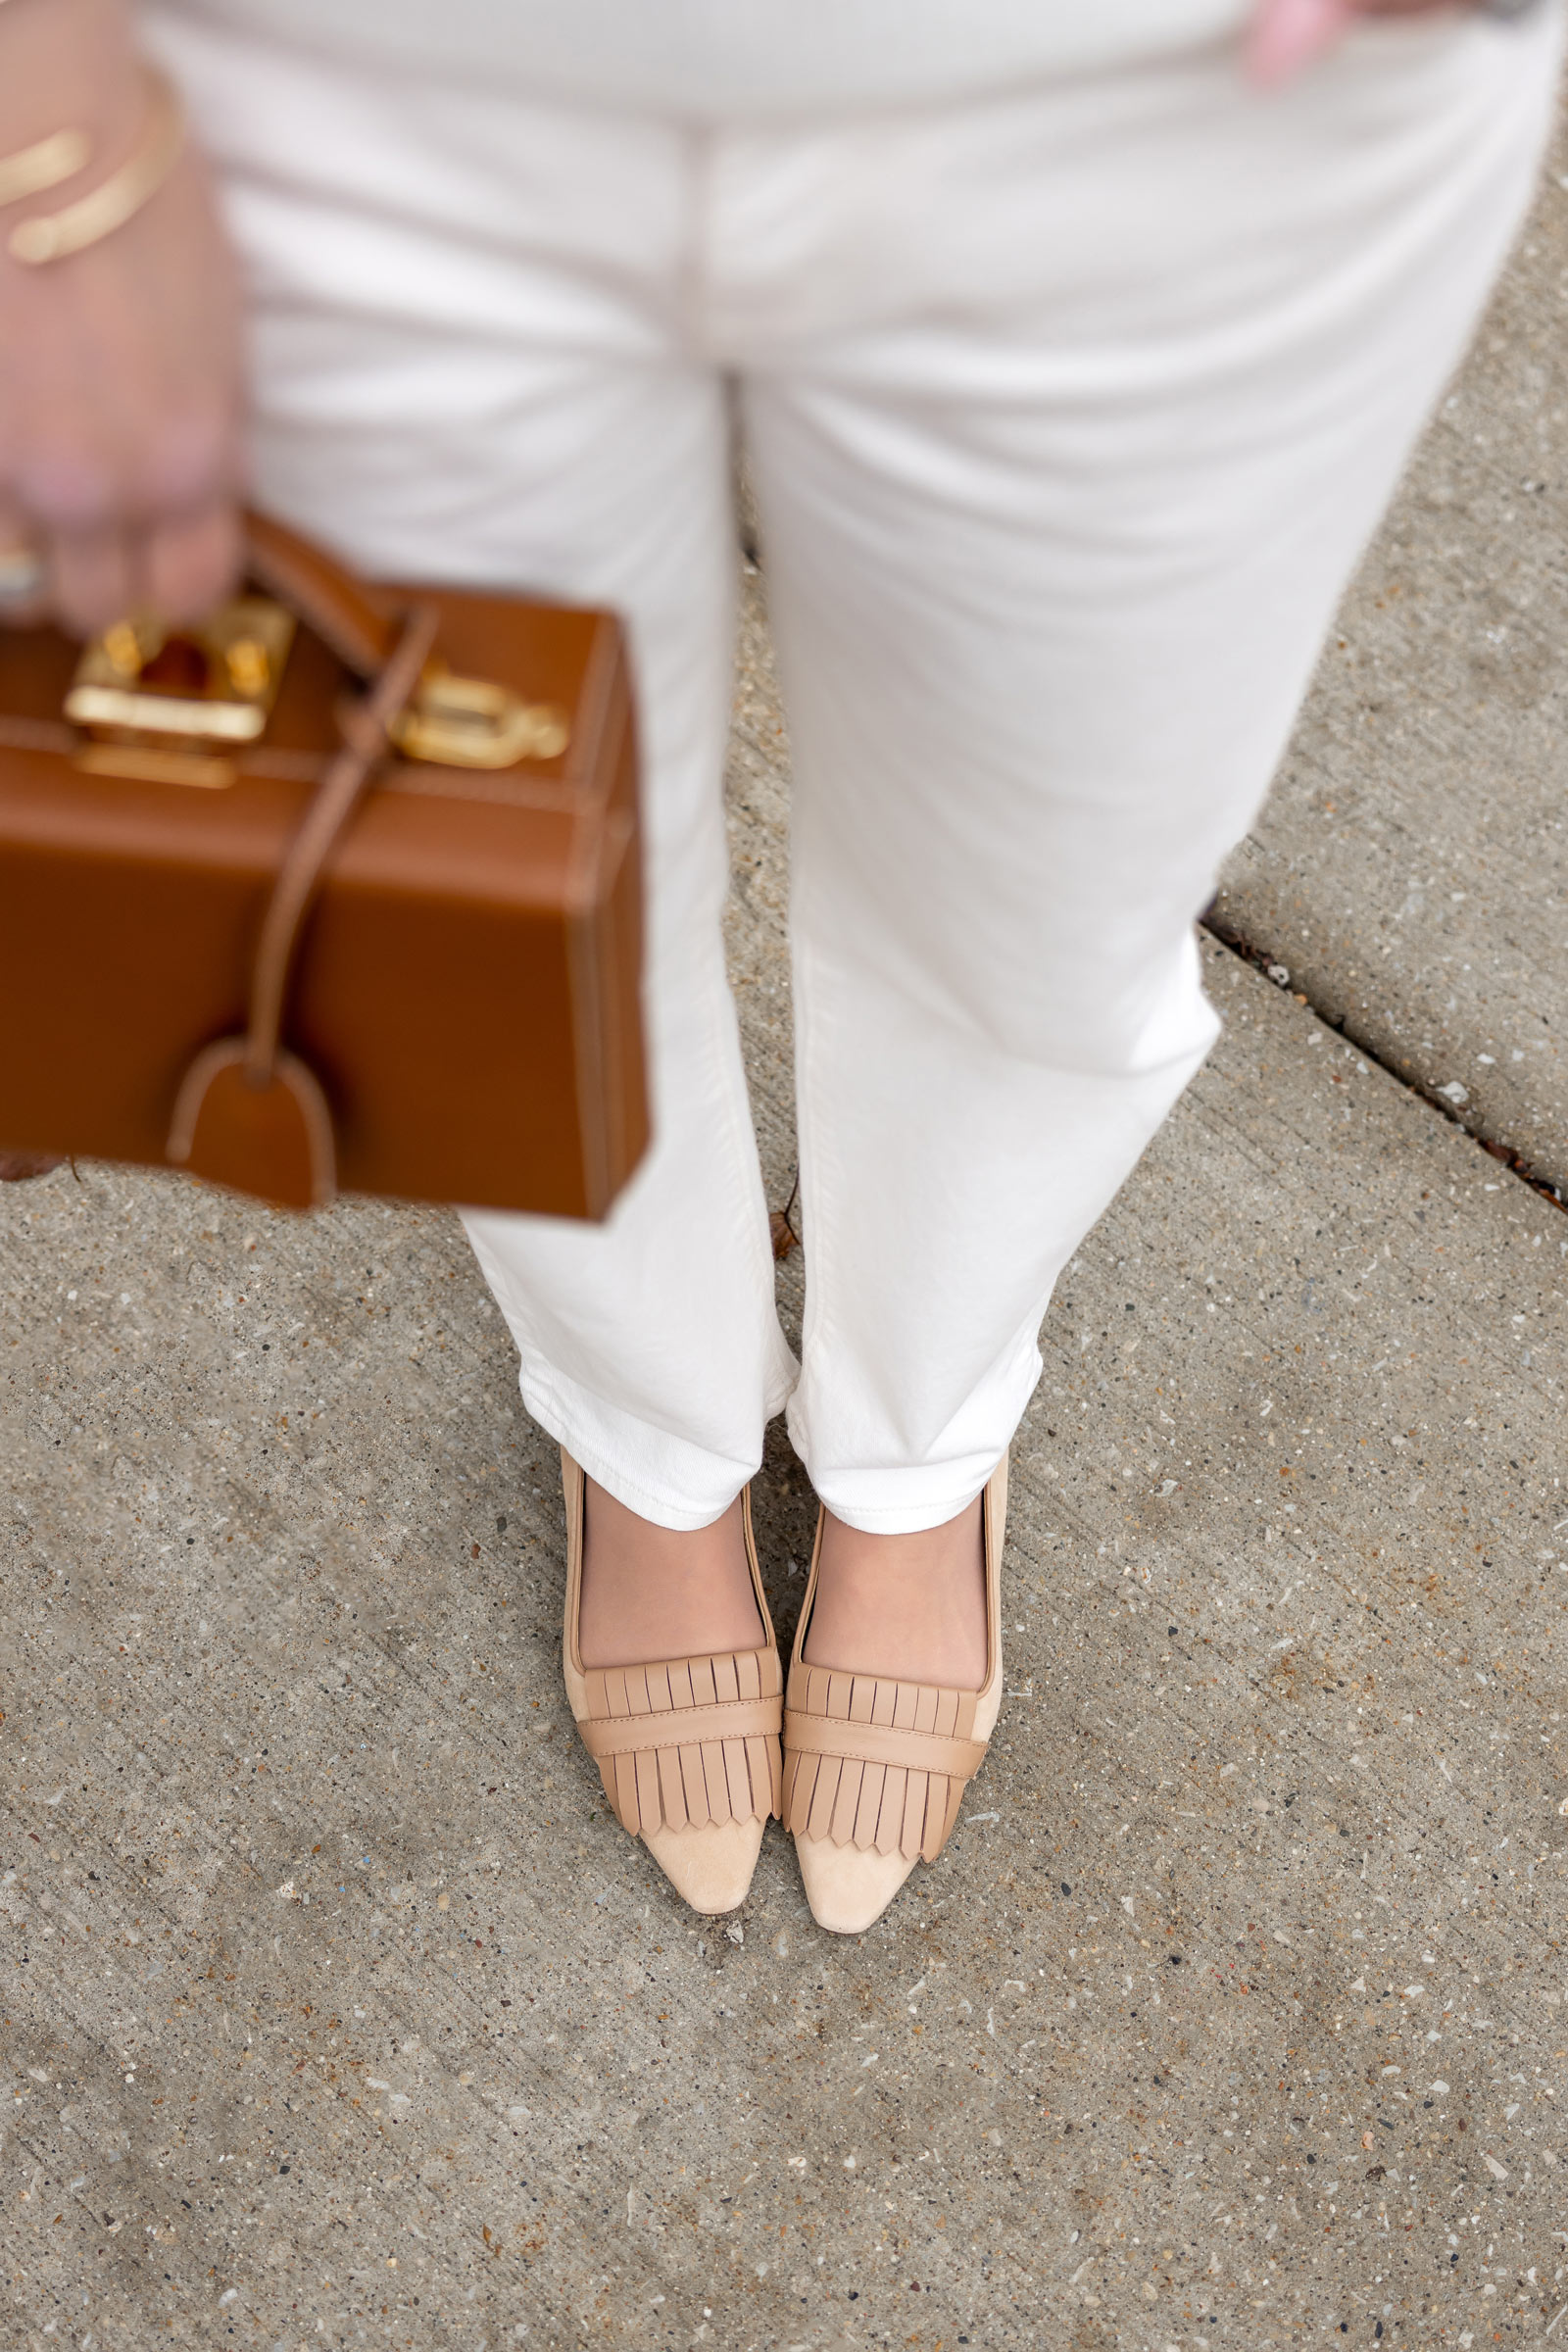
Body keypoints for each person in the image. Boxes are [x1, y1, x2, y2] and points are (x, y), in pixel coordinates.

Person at [0, 0, 1557, 1933]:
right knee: (457, 921)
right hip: (304, 86)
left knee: (1042, 912)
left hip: (1177, 107)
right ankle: (642, 1415)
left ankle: (923, 1432)